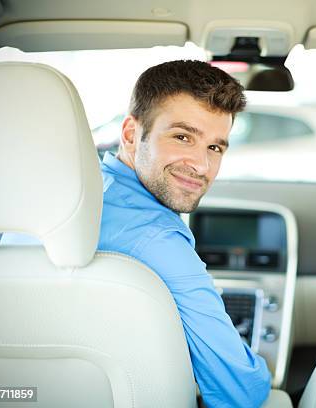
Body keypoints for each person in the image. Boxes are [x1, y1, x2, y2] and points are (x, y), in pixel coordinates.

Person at [97, 60, 271, 407]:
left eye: (215, 147)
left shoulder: (61, 204)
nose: (202, 166)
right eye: (182, 137)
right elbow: (238, 392)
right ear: (131, 133)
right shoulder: (156, 238)